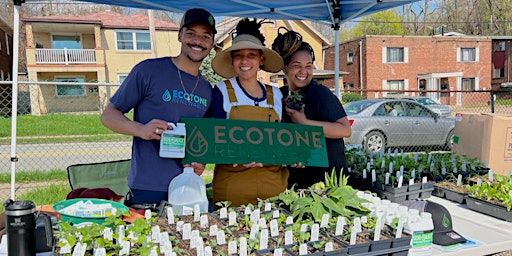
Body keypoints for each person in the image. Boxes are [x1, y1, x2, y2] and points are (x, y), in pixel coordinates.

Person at [100, 8, 216, 206]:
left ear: (212, 43)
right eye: (191, 34)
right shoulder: (149, 71)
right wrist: (142, 130)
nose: (198, 41)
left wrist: (200, 161)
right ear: (179, 36)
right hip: (148, 186)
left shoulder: (207, 89)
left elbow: (202, 138)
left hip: (188, 188)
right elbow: (109, 116)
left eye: (206, 36)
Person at [209, 18, 288, 207]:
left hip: (274, 190)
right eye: (238, 55)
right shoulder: (221, 92)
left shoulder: (276, 94)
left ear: (261, 59)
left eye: (252, 55)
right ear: (232, 59)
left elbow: (284, 139)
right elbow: (212, 140)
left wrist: (295, 156)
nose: (245, 61)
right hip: (233, 190)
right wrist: (236, 156)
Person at [271, 27, 352, 189]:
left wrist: (305, 122)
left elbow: (345, 130)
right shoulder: (280, 95)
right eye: (297, 65)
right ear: (285, 68)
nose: (304, 71)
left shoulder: (320, 94)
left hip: (328, 182)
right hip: (298, 181)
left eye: (308, 66)